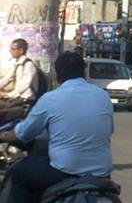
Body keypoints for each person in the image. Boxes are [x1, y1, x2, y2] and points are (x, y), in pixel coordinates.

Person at [0, 51, 114, 203]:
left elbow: (23, 133)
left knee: (18, 173)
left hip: (65, 172)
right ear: (84, 72)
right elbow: (109, 131)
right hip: (102, 172)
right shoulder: (103, 96)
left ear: (57, 75)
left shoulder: (50, 99)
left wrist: (3, 136)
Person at [0, 39, 38, 109]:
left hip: (26, 99)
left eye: (13, 49)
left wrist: (7, 95)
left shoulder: (28, 65)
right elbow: (7, 78)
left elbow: (25, 85)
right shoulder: (18, 64)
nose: (10, 51)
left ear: (21, 51)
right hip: (17, 98)